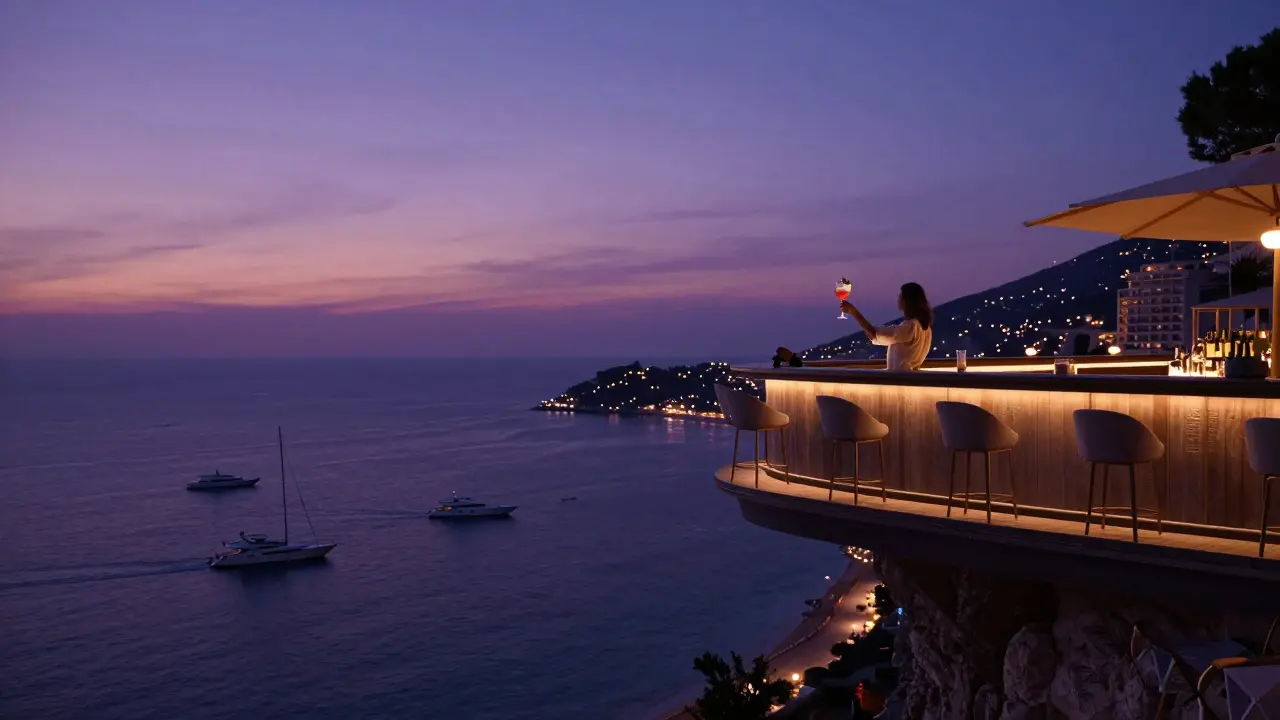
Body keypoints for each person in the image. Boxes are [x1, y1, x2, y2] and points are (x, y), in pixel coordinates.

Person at [840, 282, 934, 371]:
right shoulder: (926, 329)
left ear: (905, 302)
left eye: (900, 296)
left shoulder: (911, 327)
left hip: (900, 382)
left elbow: (874, 334)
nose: (898, 299)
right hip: (910, 381)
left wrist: (853, 311)